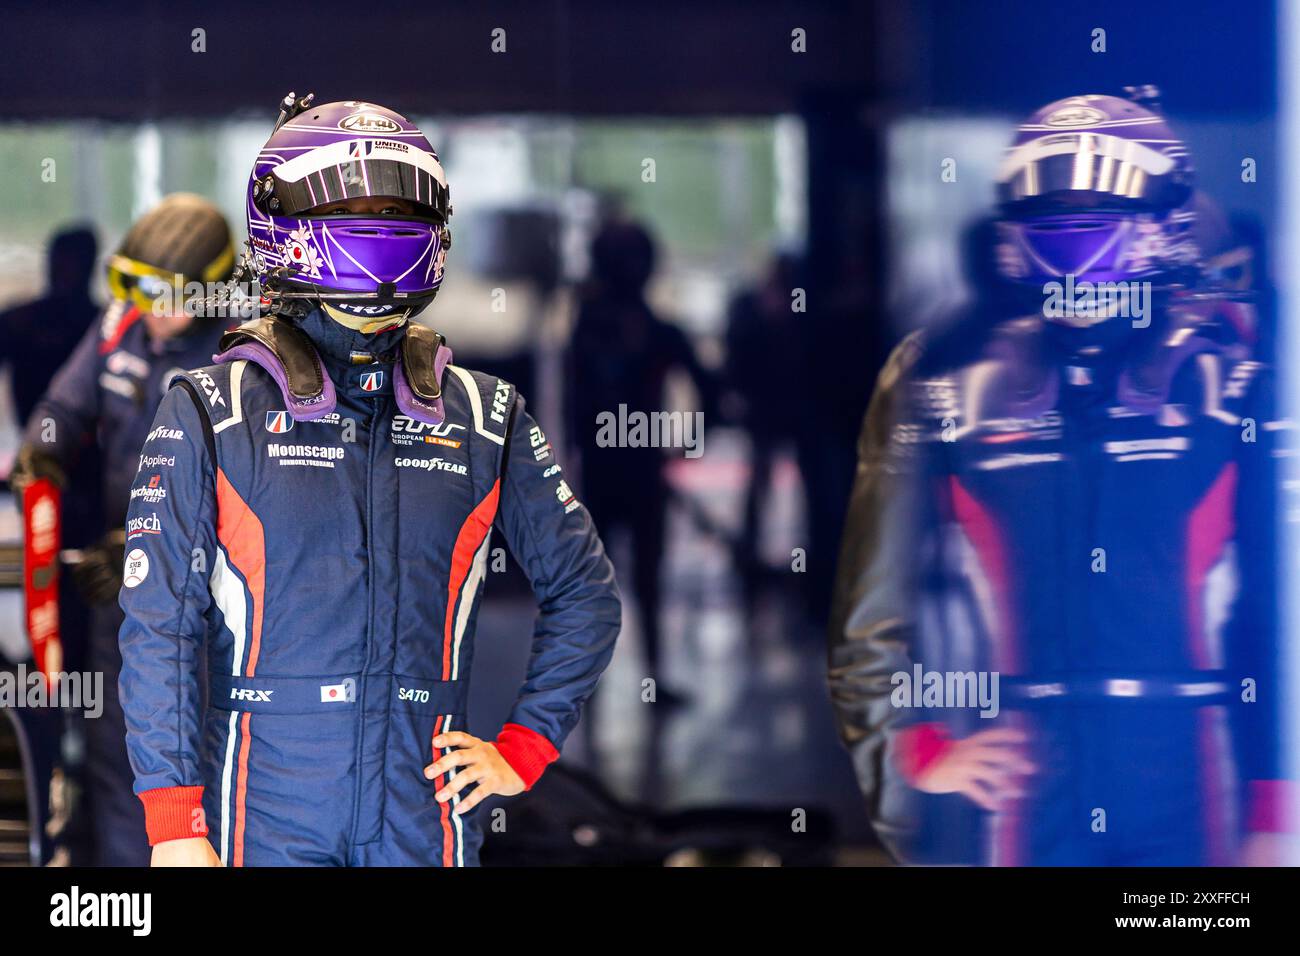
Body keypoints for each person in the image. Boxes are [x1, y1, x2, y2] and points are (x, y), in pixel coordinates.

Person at [117, 94, 621, 867]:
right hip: (260, 813)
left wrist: (522, 750)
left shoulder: (486, 417)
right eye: (356, 203)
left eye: (397, 204)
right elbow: (159, 630)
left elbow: (586, 594)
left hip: (424, 815)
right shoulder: (208, 413)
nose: (378, 221)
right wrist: (175, 826)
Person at [828, 91, 1289, 865]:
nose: (1076, 260)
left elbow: (1283, 614)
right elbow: (872, 612)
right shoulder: (941, 381)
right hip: (1019, 805)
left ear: (1166, 224)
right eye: (1052, 228)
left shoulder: (1238, 377)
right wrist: (919, 746)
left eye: (1097, 226)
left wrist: (1278, 811)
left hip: (1203, 797)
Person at [10, 193, 236, 865]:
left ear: (216, 290)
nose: (152, 309)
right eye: (134, 286)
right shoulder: (120, 325)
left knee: (204, 763)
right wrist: (41, 449)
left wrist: (144, 552)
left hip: (215, 611)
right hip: (121, 603)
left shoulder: (248, 356)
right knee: (121, 755)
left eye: (168, 295)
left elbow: (261, 498)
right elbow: (62, 406)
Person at [569, 219, 711, 697]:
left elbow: (577, 407)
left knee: (608, 580)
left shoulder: (600, 325)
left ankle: (598, 686)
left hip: (614, 469)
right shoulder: (637, 327)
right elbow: (705, 383)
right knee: (627, 579)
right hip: (630, 469)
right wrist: (687, 443)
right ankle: (635, 681)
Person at [0, 226, 99, 426]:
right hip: (35, 435)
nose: (61, 270)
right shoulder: (19, 321)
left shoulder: (105, 327)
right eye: (59, 261)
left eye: (70, 263)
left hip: (90, 443)